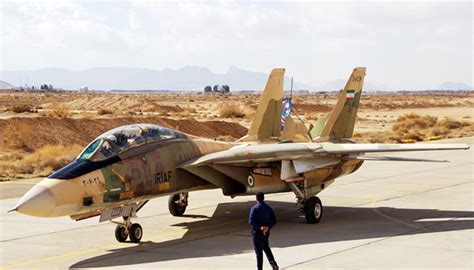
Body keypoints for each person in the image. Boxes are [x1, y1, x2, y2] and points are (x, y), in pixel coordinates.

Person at [249, 192, 279, 270]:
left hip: (257, 233)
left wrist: (260, 228)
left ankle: (260, 268)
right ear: (263, 198)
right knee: (266, 248)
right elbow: (274, 220)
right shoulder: (268, 208)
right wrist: (268, 227)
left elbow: (251, 222)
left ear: (256, 198)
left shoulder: (254, 208)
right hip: (266, 233)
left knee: (259, 253)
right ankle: (274, 265)